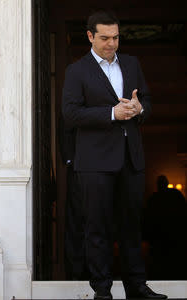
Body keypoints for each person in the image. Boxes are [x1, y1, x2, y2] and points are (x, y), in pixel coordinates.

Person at [62, 11, 167, 300]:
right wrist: (112, 113)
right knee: (97, 227)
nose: (111, 44)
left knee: (132, 225)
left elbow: (145, 99)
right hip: (94, 162)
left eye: (116, 37)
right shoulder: (77, 71)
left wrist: (139, 108)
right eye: (105, 38)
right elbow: (70, 114)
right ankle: (103, 290)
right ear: (90, 36)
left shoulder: (132, 64)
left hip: (130, 158)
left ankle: (137, 287)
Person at [58, 115, 88, 280]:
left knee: (100, 222)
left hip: (102, 167)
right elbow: (66, 122)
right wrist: (70, 160)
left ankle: (95, 270)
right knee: (75, 221)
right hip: (77, 168)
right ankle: (75, 272)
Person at [144, 175, 187, 280]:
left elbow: (147, 219)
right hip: (173, 238)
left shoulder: (154, 199)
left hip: (161, 240)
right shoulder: (176, 195)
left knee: (160, 263)